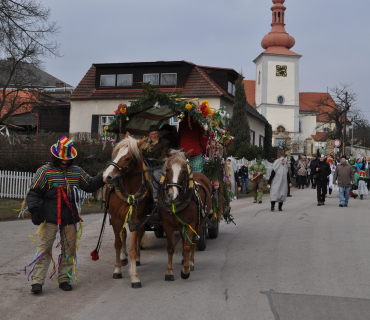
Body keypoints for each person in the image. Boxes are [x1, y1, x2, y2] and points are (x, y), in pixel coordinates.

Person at [26, 137, 106, 294]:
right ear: (56, 156)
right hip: (49, 218)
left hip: (70, 218)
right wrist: (34, 210)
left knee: (69, 250)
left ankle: (64, 279)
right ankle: (37, 281)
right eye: (61, 158)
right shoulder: (45, 171)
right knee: (44, 249)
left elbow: (89, 185)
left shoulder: (77, 172)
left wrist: (104, 177)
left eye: (67, 159)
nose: (64, 161)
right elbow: (34, 192)